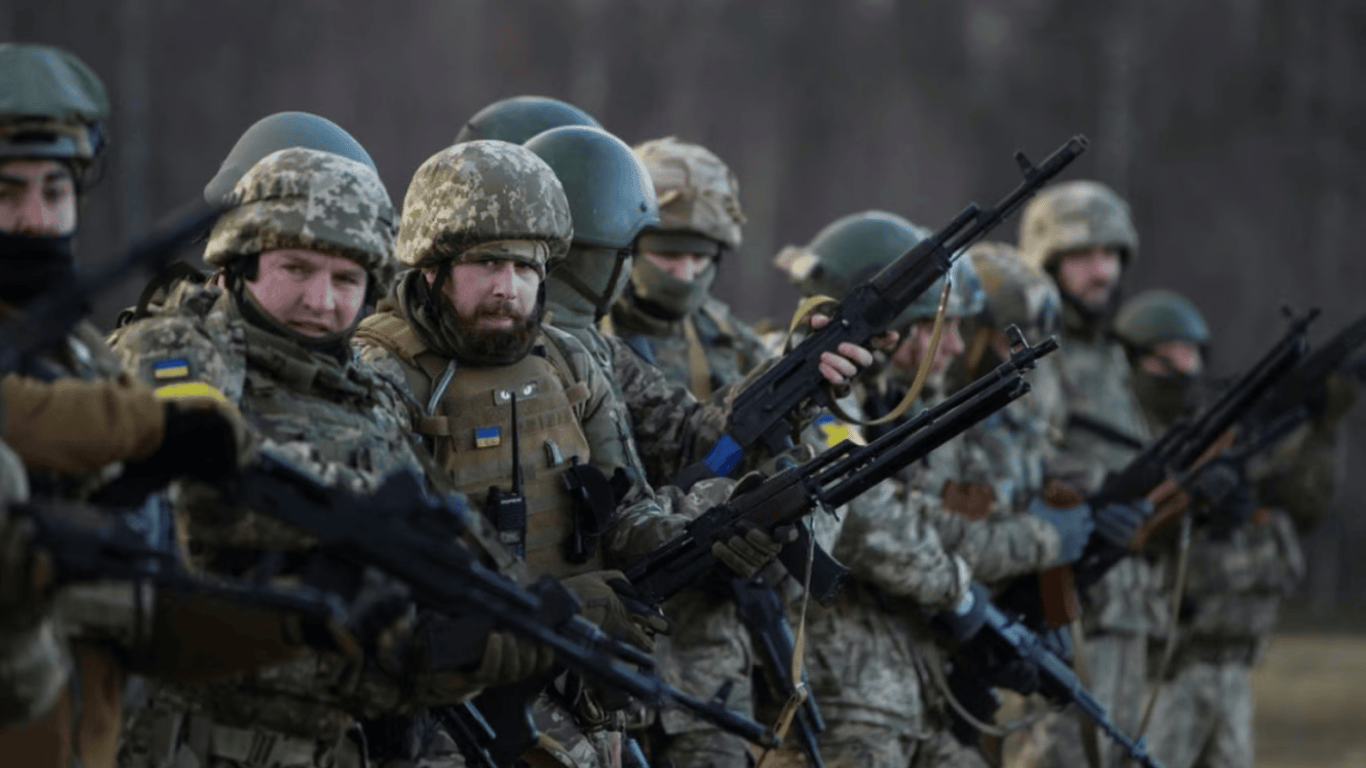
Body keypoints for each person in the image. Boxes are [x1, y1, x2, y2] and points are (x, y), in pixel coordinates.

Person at [109, 146, 545, 768]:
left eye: (345, 280)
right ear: (241, 264)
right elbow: (199, 486)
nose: (320, 301)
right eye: (296, 268)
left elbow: (445, 535)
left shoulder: (369, 395)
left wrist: (482, 629)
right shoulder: (179, 348)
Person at [353, 139, 784, 768]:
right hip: (451, 726)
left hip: (580, 715)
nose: (507, 289)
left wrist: (709, 530)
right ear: (431, 267)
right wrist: (561, 606)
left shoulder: (568, 359)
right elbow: (393, 579)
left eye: (526, 269)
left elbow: (624, 512)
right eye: (488, 265)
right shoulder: (382, 375)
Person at [1113, 288, 1351, 768]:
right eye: (1168, 356)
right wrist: (1196, 504)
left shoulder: (1223, 429)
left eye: (1191, 353)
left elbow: (1304, 504)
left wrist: (1323, 431)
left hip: (1233, 665)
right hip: (1160, 669)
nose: (1184, 366)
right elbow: (1129, 525)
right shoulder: (1121, 434)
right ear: (1135, 360)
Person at [1017, 180, 1157, 768]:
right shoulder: (1025, 359)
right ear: (1046, 263)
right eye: (1081, 257)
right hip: (1056, 613)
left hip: (1123, 611)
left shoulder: (1115, 359)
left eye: (1109, 256)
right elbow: (999, 474)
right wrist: (1087, 501)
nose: (1100, 272)